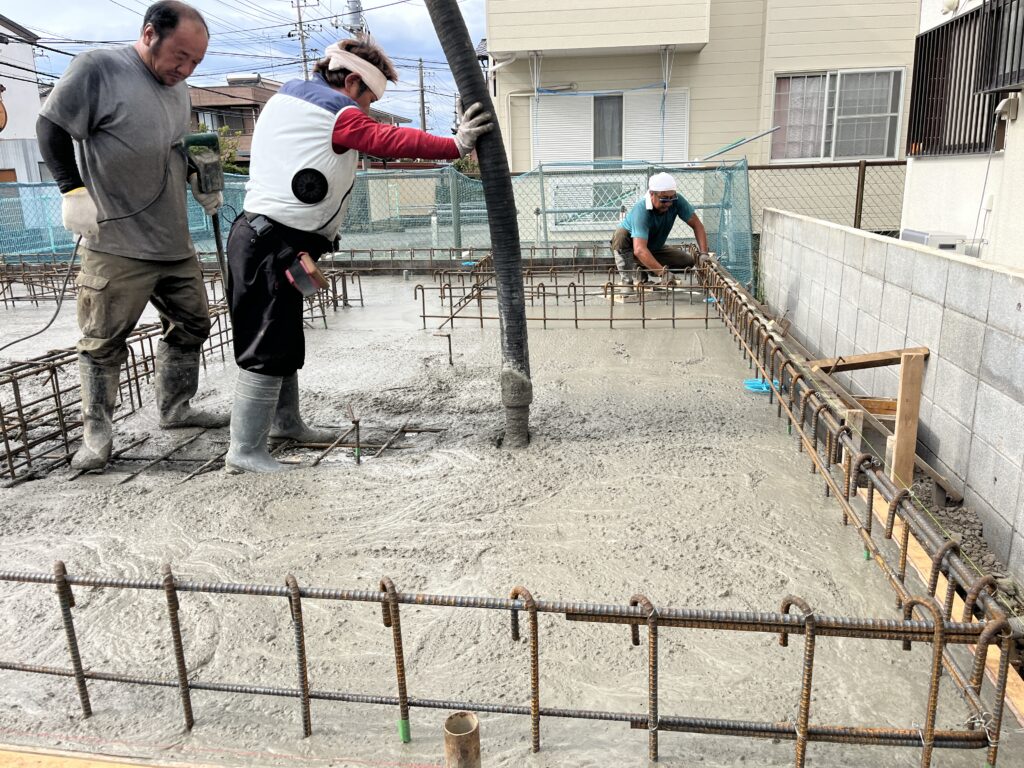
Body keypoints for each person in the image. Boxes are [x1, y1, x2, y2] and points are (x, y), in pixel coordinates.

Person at [224, 35, 493, 473]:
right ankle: (244, 452)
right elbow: (387, 139)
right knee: (266, 344)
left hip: (270, 241)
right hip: (268, 245)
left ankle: (285, 425)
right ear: (351, 82)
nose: (366, 110)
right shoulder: (332, 110)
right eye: (368, 99)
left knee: (283, 338)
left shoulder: (292, 96)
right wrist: (455, 146)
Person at [36, 0, 227, 473]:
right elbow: (50, 126)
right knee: (102, 341)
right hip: (116, 242)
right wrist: (72, 190)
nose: (185, 69)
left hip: (173, 241)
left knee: (193, 324)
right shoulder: (98, 68)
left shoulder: (179, 92)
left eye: (196, 62)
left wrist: (200, 178)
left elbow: (175, 148)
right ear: (149, 34)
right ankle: (97, 436)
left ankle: (176, 409)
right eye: (180, 56)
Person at [610, 172, 709, 291]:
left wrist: (704, 253)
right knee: (621, 234)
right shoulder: (641, 210)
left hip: (653, 248)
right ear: (652, 194)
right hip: (630, 249)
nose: (669, 203)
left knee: (687, 261)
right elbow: (639, 249)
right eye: (664, 199)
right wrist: (663, 273)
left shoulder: (676, 200)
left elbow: (697, 225)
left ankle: (645, 266)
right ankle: (627, 282)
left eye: (671, 198)